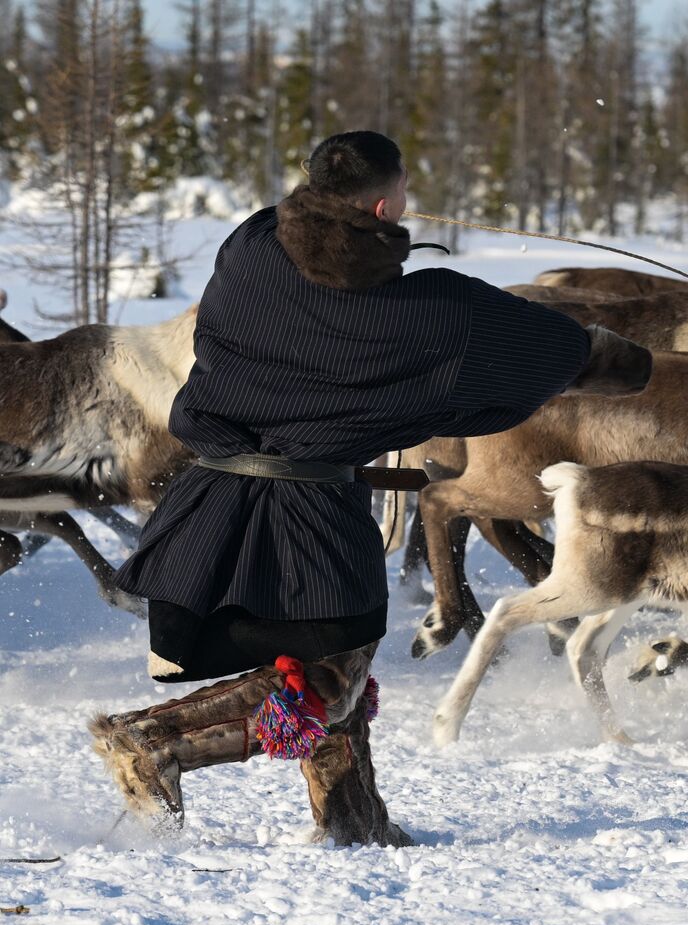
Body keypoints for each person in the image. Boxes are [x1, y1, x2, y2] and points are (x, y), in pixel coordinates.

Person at [91, 130, 651, 846]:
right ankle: (151, 739)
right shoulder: (432, 314)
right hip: (306, 513)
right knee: (331, 677)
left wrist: (356, 225)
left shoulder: (252, 246)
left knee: (325, 667)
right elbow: (555, 351)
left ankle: (353, 818)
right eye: (403, 195)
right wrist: (635, 361)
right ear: (386, 203)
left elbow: (298, 240)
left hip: (207, 500)